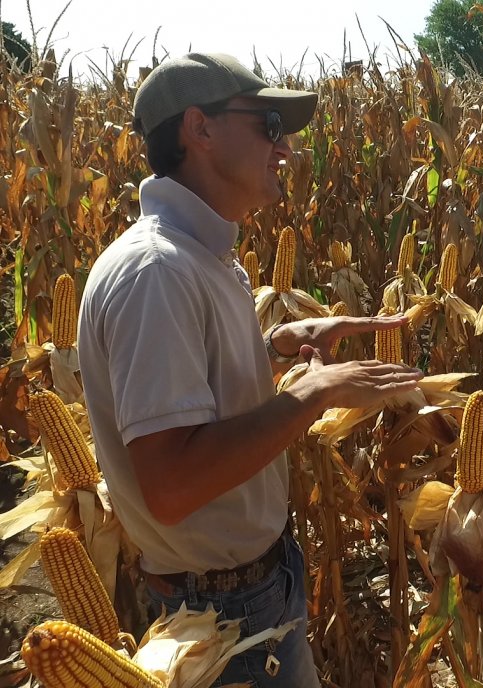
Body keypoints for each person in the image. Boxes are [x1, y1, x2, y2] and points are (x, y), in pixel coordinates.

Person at [77, 52, 424, 686]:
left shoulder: (198, 257)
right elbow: (172, 484)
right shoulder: (158, 274)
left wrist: (273, 349)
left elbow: (197, 399)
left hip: (257, 588)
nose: (285, 146)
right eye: (268, 122)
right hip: (221, 618)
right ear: (198, 130)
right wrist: (309, 397)